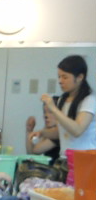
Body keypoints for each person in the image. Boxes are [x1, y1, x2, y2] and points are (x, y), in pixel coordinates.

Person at [40, 55, 95, 184]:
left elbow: (77, 130)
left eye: (65, 77)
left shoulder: (89, 100)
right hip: (64, 160)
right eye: (59, 76)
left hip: (84, 162)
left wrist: (53, 109)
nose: (60, 81)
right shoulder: (62, 100)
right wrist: (42, 133)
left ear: (80, 77)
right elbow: (62, 132)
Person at [24, 99, 61, 164]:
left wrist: (40, 132)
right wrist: (29, 130)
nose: (46, 115)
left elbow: (36, 151)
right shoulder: (48, 130)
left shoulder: (57, 133)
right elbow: (31, 154)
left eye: (50, 112)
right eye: (44, 112)